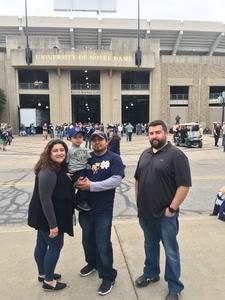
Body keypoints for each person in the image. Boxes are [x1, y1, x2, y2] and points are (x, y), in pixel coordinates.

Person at [134, 120, 191, 300]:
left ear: (165, 133)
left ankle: (174, 287)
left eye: (158, 133)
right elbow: (137, 180)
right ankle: (151, 272)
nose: (154, 136)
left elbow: (184, 185)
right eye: (151, 133)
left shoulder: (177, 155)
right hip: (146, 214)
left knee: (171, 251)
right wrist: (138, 203)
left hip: (166, 215)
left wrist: (172, 209)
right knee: (149, 245)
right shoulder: (144, 154)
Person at [76, 130, 125, 296]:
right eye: (94, 140)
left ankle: (108, 276)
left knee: (103, 244)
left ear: (106, 141)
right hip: (85, 208)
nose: (97, 142)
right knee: (87, 241)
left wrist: (92, 186)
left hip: (103, 210)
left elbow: (116, 180)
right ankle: (92, 263)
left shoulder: (114, 158)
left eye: (100, 139)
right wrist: (77, 181)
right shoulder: (86, 158)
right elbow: (76, 172)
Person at [27, 139, 75, 291]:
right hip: (48, 217)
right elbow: (45, 199)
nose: (60, 153)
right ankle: (49, 281)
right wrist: (53, 225)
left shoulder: (55, 167)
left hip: (42, 215)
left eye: (62, 150)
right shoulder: (48, 171)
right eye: (55, 150)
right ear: (49, 153)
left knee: (41, 244)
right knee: (55, 246)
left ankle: (43, 273)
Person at [67, 126, 91, 211]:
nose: (78, 139)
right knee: (83, 183)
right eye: (75, 137)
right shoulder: (69, 150)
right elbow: (66, 162)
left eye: (80, 137)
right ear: (70, 139)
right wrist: (66, 172)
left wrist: (94, 165)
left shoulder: (84, 149)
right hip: (75, 171)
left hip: (84, 170)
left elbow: (89, 159)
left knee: (89, 182)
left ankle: (81, 200)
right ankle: (79, 202)